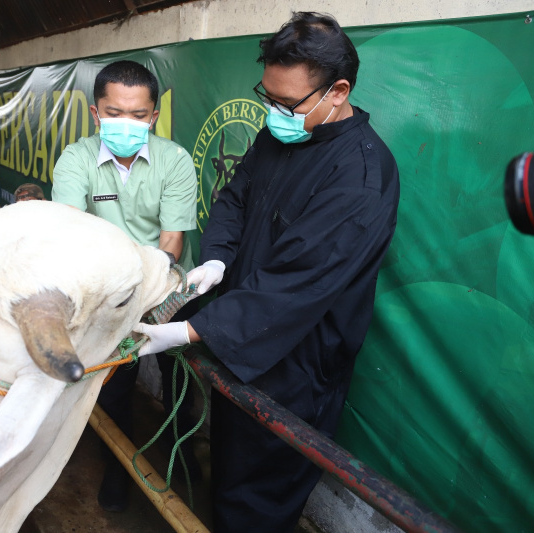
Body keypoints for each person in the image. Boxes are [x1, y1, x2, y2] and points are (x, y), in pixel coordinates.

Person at [134, 12, 401, 532]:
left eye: (286, 104)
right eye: (267, 98)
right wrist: (217, 258)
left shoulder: (362, 178)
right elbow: (234, 197)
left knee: (255, 502)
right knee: (229, 474)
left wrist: (186, 330)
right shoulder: (282, 135)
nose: (274, 113)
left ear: (338, 91)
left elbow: (295, 284)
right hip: (244, 344)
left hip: (295, 371)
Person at [50, 60, 199, 512]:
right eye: (114, 113)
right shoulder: (76, 160)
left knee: (181, 380)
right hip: (106, 289)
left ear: (154, 116)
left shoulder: (174, 161)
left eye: (138, 115)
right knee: (113, 386)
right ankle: (117, 471)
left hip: (168, 284)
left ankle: (183, 467)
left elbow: (171, 243)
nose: (127, 124)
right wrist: (118, 296)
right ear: (96, 114)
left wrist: (147, 291)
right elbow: (73, 233)